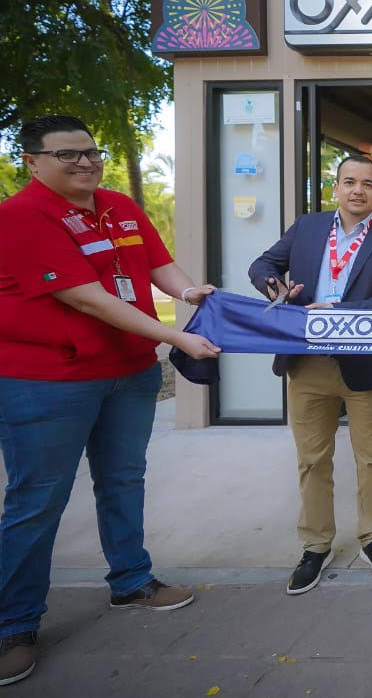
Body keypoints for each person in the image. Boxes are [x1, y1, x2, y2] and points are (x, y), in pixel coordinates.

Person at [0, 115, 220, 687]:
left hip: (128, 372)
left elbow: (157, 264)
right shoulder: (22, 216)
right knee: (37, 499)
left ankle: (131, 580)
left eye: (91, 151)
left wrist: (189, 291)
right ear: (33, 162)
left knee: (123, 480)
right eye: (67, 154)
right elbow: (88, 299)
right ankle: (13, 624)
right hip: (49, 380)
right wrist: (175, 336)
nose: (85, 162)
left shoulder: (119, 206)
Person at [247, 155, 372, 595]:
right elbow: (262, 264)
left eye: (367, 184)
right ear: (336, 187)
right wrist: (273, 286)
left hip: (365, 363)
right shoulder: (307, 227)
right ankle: (316, 545)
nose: (358, 190)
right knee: (312, 460)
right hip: (307, 362)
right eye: (349, 182)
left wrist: (342, 309)